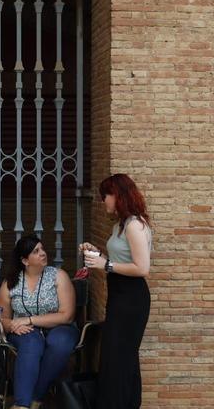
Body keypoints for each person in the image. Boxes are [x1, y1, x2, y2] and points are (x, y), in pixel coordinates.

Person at [81, 174, 152, 409]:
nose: (104, 201)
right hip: (118, 294)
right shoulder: (119, 225)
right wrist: (97, 255)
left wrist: (107, 265)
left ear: (118, 195)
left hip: (132, 299)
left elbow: (142, 268)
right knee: (116, 357)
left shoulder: (135, 225)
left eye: (106, 196)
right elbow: (118, 261)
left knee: (119, 357)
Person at [0, 235, 79, 409]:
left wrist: (30, 319)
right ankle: (22, 405)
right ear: (25, 260)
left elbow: (67, 315)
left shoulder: (58, 276)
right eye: (36, 251)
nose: (43, 253)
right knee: (32, 343)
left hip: (59, 327)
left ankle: (36, 397)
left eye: (42, 249)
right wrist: (10, 325)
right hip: (25, 331)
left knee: (60, 343)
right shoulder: (10, 283)